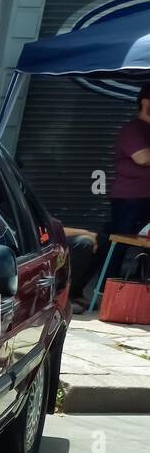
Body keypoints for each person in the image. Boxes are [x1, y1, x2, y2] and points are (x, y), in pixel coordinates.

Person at [83, 82, 150, 306]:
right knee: (119, 244)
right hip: (130, 198)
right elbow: (142, 158)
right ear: (145, 101)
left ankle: (142, 295)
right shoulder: (132, 129)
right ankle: (104, 293)